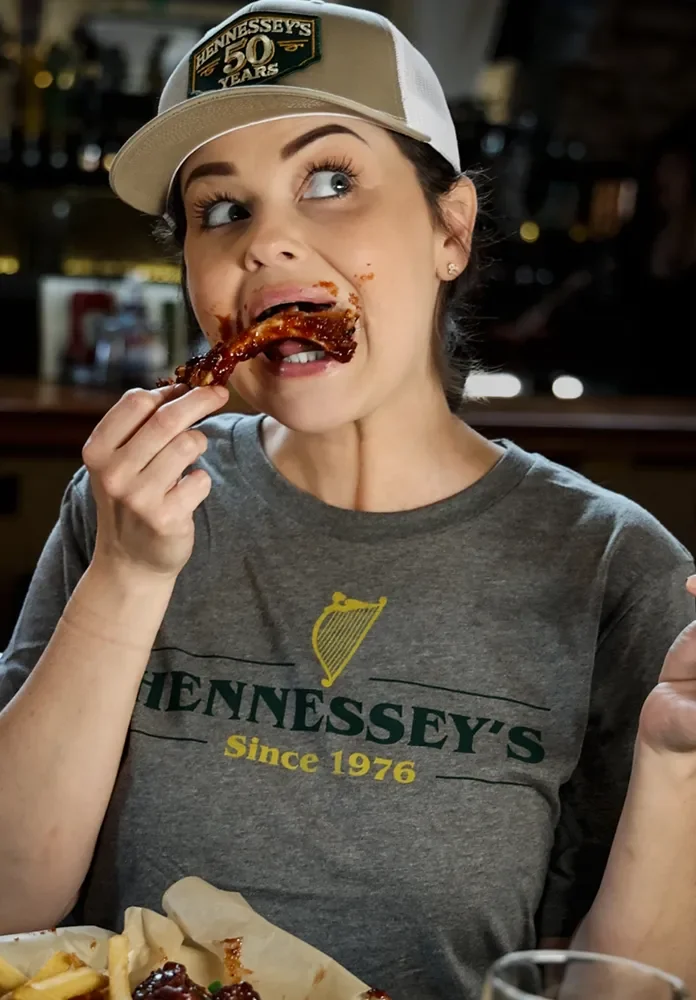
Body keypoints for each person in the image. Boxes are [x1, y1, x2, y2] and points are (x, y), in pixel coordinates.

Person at [2, 4, 696, 999]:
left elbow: (621, 986)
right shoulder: (127, 507)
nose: (267, 241)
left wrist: (681, 768)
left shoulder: (613, 569)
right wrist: (125, 576)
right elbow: (8, 915)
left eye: (330, 181)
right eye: (221, 208)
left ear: (450, 227)